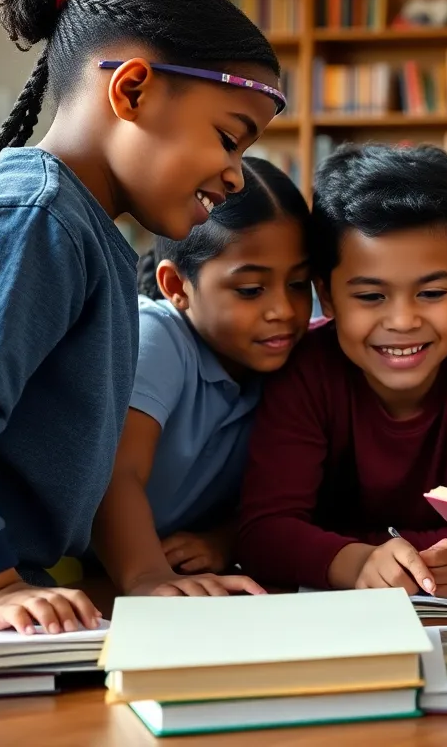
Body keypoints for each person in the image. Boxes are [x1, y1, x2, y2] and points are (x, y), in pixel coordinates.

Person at [0, 0, 284, 633]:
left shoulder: (83, 230)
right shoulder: (33, 217)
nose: (237, 176)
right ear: (131, 90)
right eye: (228, 137)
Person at [236, 143, 447, 597]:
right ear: (328, 295)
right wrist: (356, 563)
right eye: (371, 297)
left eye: (432, 293)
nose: (402, 321)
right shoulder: (304, 370)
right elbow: (263, 530)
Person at [91, 157, 311, 597]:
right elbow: (117, 473)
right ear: (176, 287)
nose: (283, 311)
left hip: (165, 567)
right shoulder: (156, 334)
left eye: (299, 284)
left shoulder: (292, 360)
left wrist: (222, 539)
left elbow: (285, 495)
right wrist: (147, 576)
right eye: (250, 290)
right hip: (75, 565)